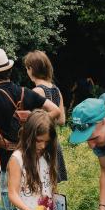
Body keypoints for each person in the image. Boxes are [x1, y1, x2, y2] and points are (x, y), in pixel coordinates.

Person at [0, 47, 61, 210]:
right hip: (34, 153)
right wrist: (36, 121)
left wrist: (1, 141)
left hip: (10, 155)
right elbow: (55, 111)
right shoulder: (25, 91)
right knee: (37, 195)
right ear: (10, 70)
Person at [23, 50, 68, 183]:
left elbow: (30, 122)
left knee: (38, 183)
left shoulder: (36, 92)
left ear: (31, 69)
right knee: (52, 185)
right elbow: (61, 120)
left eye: (27, 68)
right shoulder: (56, 89)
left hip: (39, 144)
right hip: (53, 143)